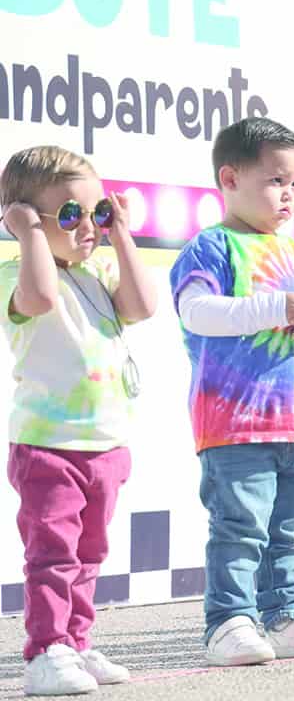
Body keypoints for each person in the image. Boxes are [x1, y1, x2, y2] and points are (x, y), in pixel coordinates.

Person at [169, 117, 294, 666]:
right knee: (240, 524)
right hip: (235, 422)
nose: (289, 195)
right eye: (277, 181)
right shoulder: (211, 247)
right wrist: (273, 309)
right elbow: (196, 311)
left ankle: (285, 615)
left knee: (290, 528)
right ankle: (229, 622)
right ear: (229, 178)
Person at [1, 146, 156, 696]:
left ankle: (77, 641)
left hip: (105, 444)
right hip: (49, 446)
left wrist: (122, 235)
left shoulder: (100, 271)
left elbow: (141, 307)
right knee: (53, 555)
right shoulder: (16, 274)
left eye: (98, 212)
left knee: (89, 554)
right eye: (70, 215)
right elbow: (40, 297)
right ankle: (46, 651)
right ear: (25, 219)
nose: (88, 226)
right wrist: (28, 234)